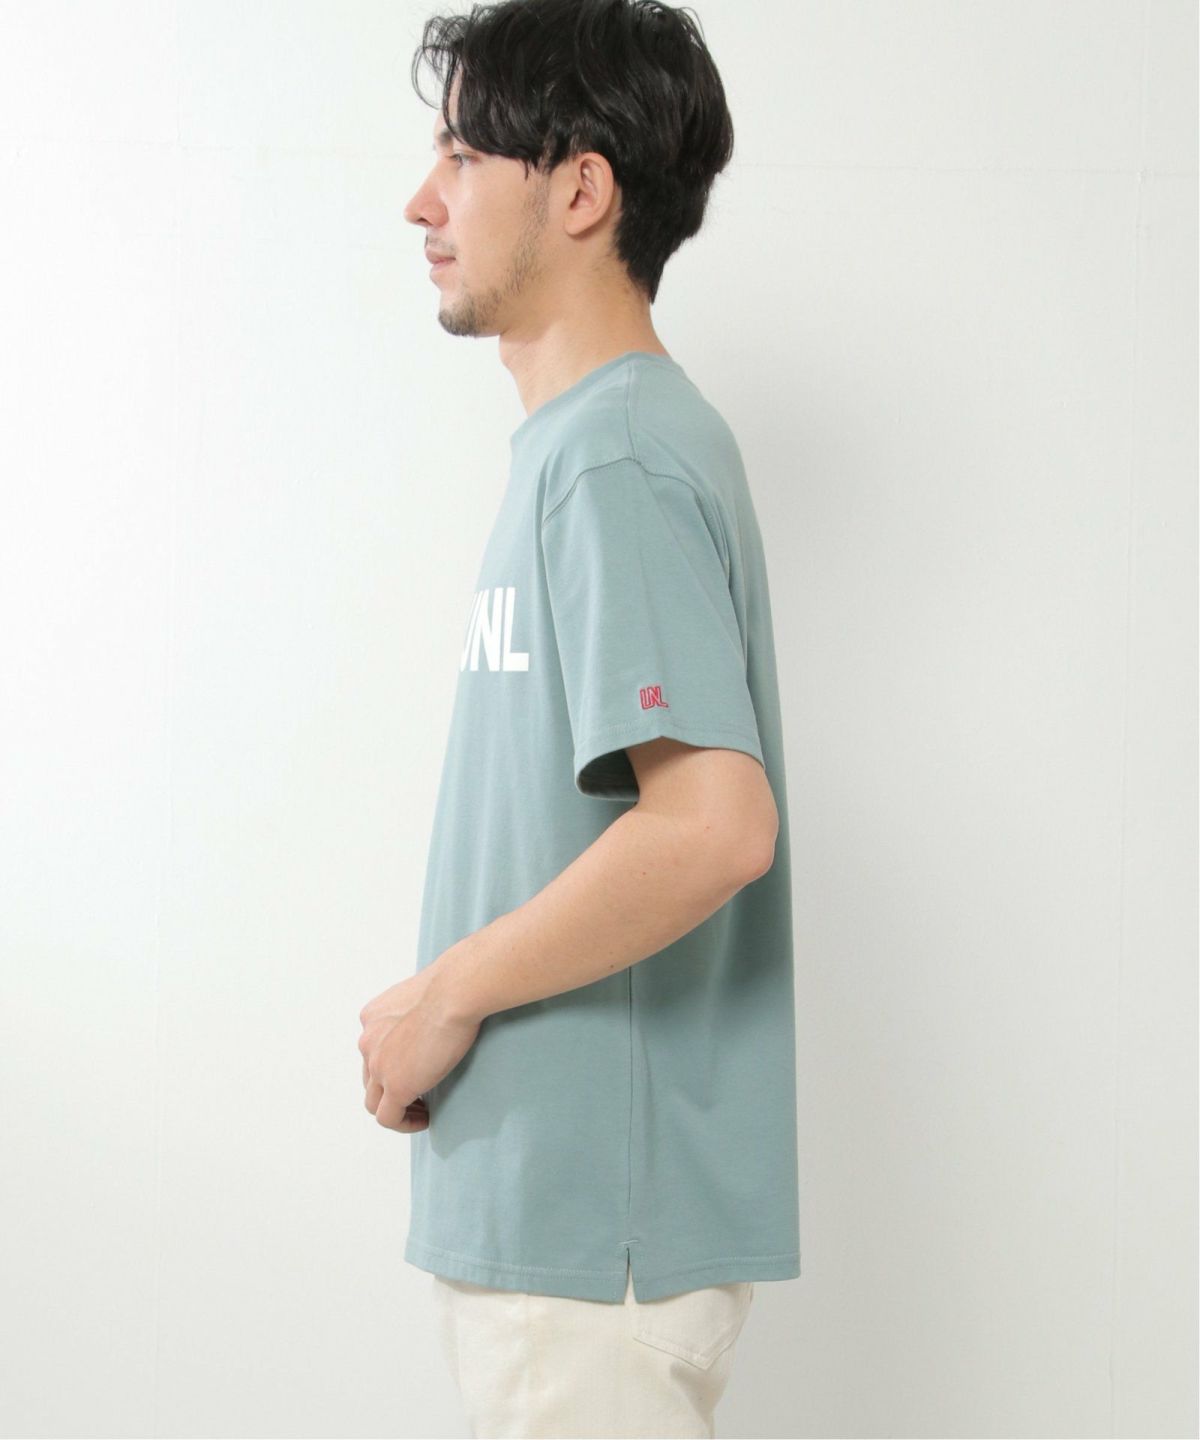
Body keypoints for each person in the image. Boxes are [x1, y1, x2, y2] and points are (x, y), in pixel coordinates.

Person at [357, 1, 801, 1434]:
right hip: (564, 1237)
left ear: (582, 190)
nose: (423, 201)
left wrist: (447, 994)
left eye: (462, 156)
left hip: (590, 1244)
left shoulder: (614, 454)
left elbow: (715, 826)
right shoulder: (583, 451)